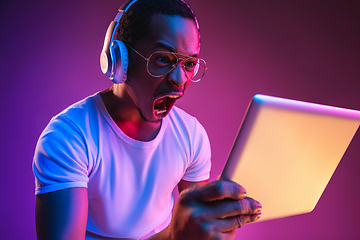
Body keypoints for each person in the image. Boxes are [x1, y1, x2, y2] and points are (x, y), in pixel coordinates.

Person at [33, 0, 262, 239]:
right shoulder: (68, 136)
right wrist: (176, 235)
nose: (179, 79)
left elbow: (196, 226)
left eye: (190, 64)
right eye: (163, 58)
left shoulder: (191, 135)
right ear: (120, 59)